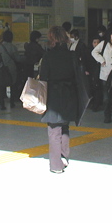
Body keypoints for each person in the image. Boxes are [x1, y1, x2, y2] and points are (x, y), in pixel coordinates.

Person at [39, 26, 79, 174]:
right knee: (65, 127)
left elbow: (43, 77)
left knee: (54, 129)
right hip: (69, 93)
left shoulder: (48, 56)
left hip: (54, 95)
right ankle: (64, 157)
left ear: (51, 38)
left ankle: (56, 165)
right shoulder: (72, 55)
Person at [0, 30, 24, 110]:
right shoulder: (13, 47)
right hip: (11, 68)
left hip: (1, 68)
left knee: (1, 86)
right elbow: (18, 59)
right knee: (13, 84)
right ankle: (12, 102)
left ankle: (2, 104)